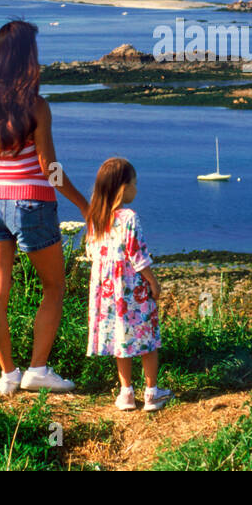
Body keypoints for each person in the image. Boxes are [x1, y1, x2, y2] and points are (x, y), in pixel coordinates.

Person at [0, 19, 89, 395]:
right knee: (54, 287)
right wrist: (84, 204)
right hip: (31, 203)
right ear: (25, 59)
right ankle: (37, 369)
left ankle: (8, 375)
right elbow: (49, 168)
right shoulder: (35, 106)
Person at [84, 157, 172, 412]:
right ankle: (152, 392)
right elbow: (138, 256)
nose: (136, 188)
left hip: (109, 293)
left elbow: (93, 252)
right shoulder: (129, 217)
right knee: (147, 340)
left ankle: (126, 393)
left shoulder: (95, 217)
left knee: (121, 340)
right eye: (134, 183)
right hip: (133, 290)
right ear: (123, 187)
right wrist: (153, 283)